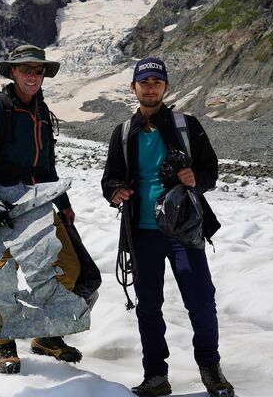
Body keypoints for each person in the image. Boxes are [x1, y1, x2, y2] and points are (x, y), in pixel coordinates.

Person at [100, 57, 234, 397]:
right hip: (142, 233)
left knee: (201, 300)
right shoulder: (124, 132)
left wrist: (196, 179)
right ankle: (156, 376)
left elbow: (210, 170)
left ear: (165, 88)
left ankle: (210, 369)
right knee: (148, 307)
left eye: (156, 82)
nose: (150, 87)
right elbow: (109, 179)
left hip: (183, 231)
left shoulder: (186, 125)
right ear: (133, 87)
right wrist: (115, 191)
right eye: (144, 82)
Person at [0, 44, 83, 375]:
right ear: (13, 72)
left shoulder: (41, 113)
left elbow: (46, 166)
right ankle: (5, 343)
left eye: (38, 70)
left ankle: (46, 336)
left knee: (67, 267)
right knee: (3, 275)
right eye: (26, 69)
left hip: (35, 201)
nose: (33, 75)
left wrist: (64, 204)